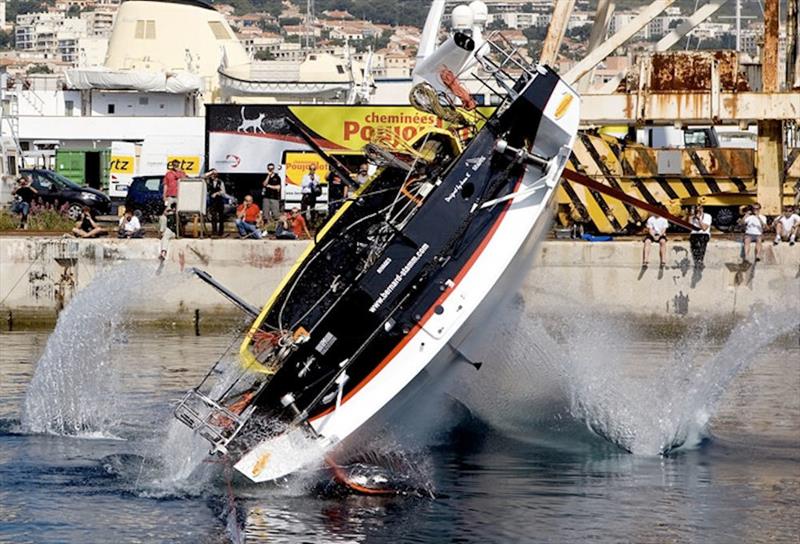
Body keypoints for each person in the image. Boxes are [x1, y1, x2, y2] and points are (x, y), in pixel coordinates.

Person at [204, 169, 226, 237]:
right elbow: (203, 176)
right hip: (212, 202)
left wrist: (217, 193)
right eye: (212, 175)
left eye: (213, 175)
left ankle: (221, 232)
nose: (212, 176)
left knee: (221, 217)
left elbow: (223, 192)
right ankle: (214, 232)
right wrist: (210, 173)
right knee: (214, 217)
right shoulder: (209, 181)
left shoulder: (220, 182)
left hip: (219, 201)